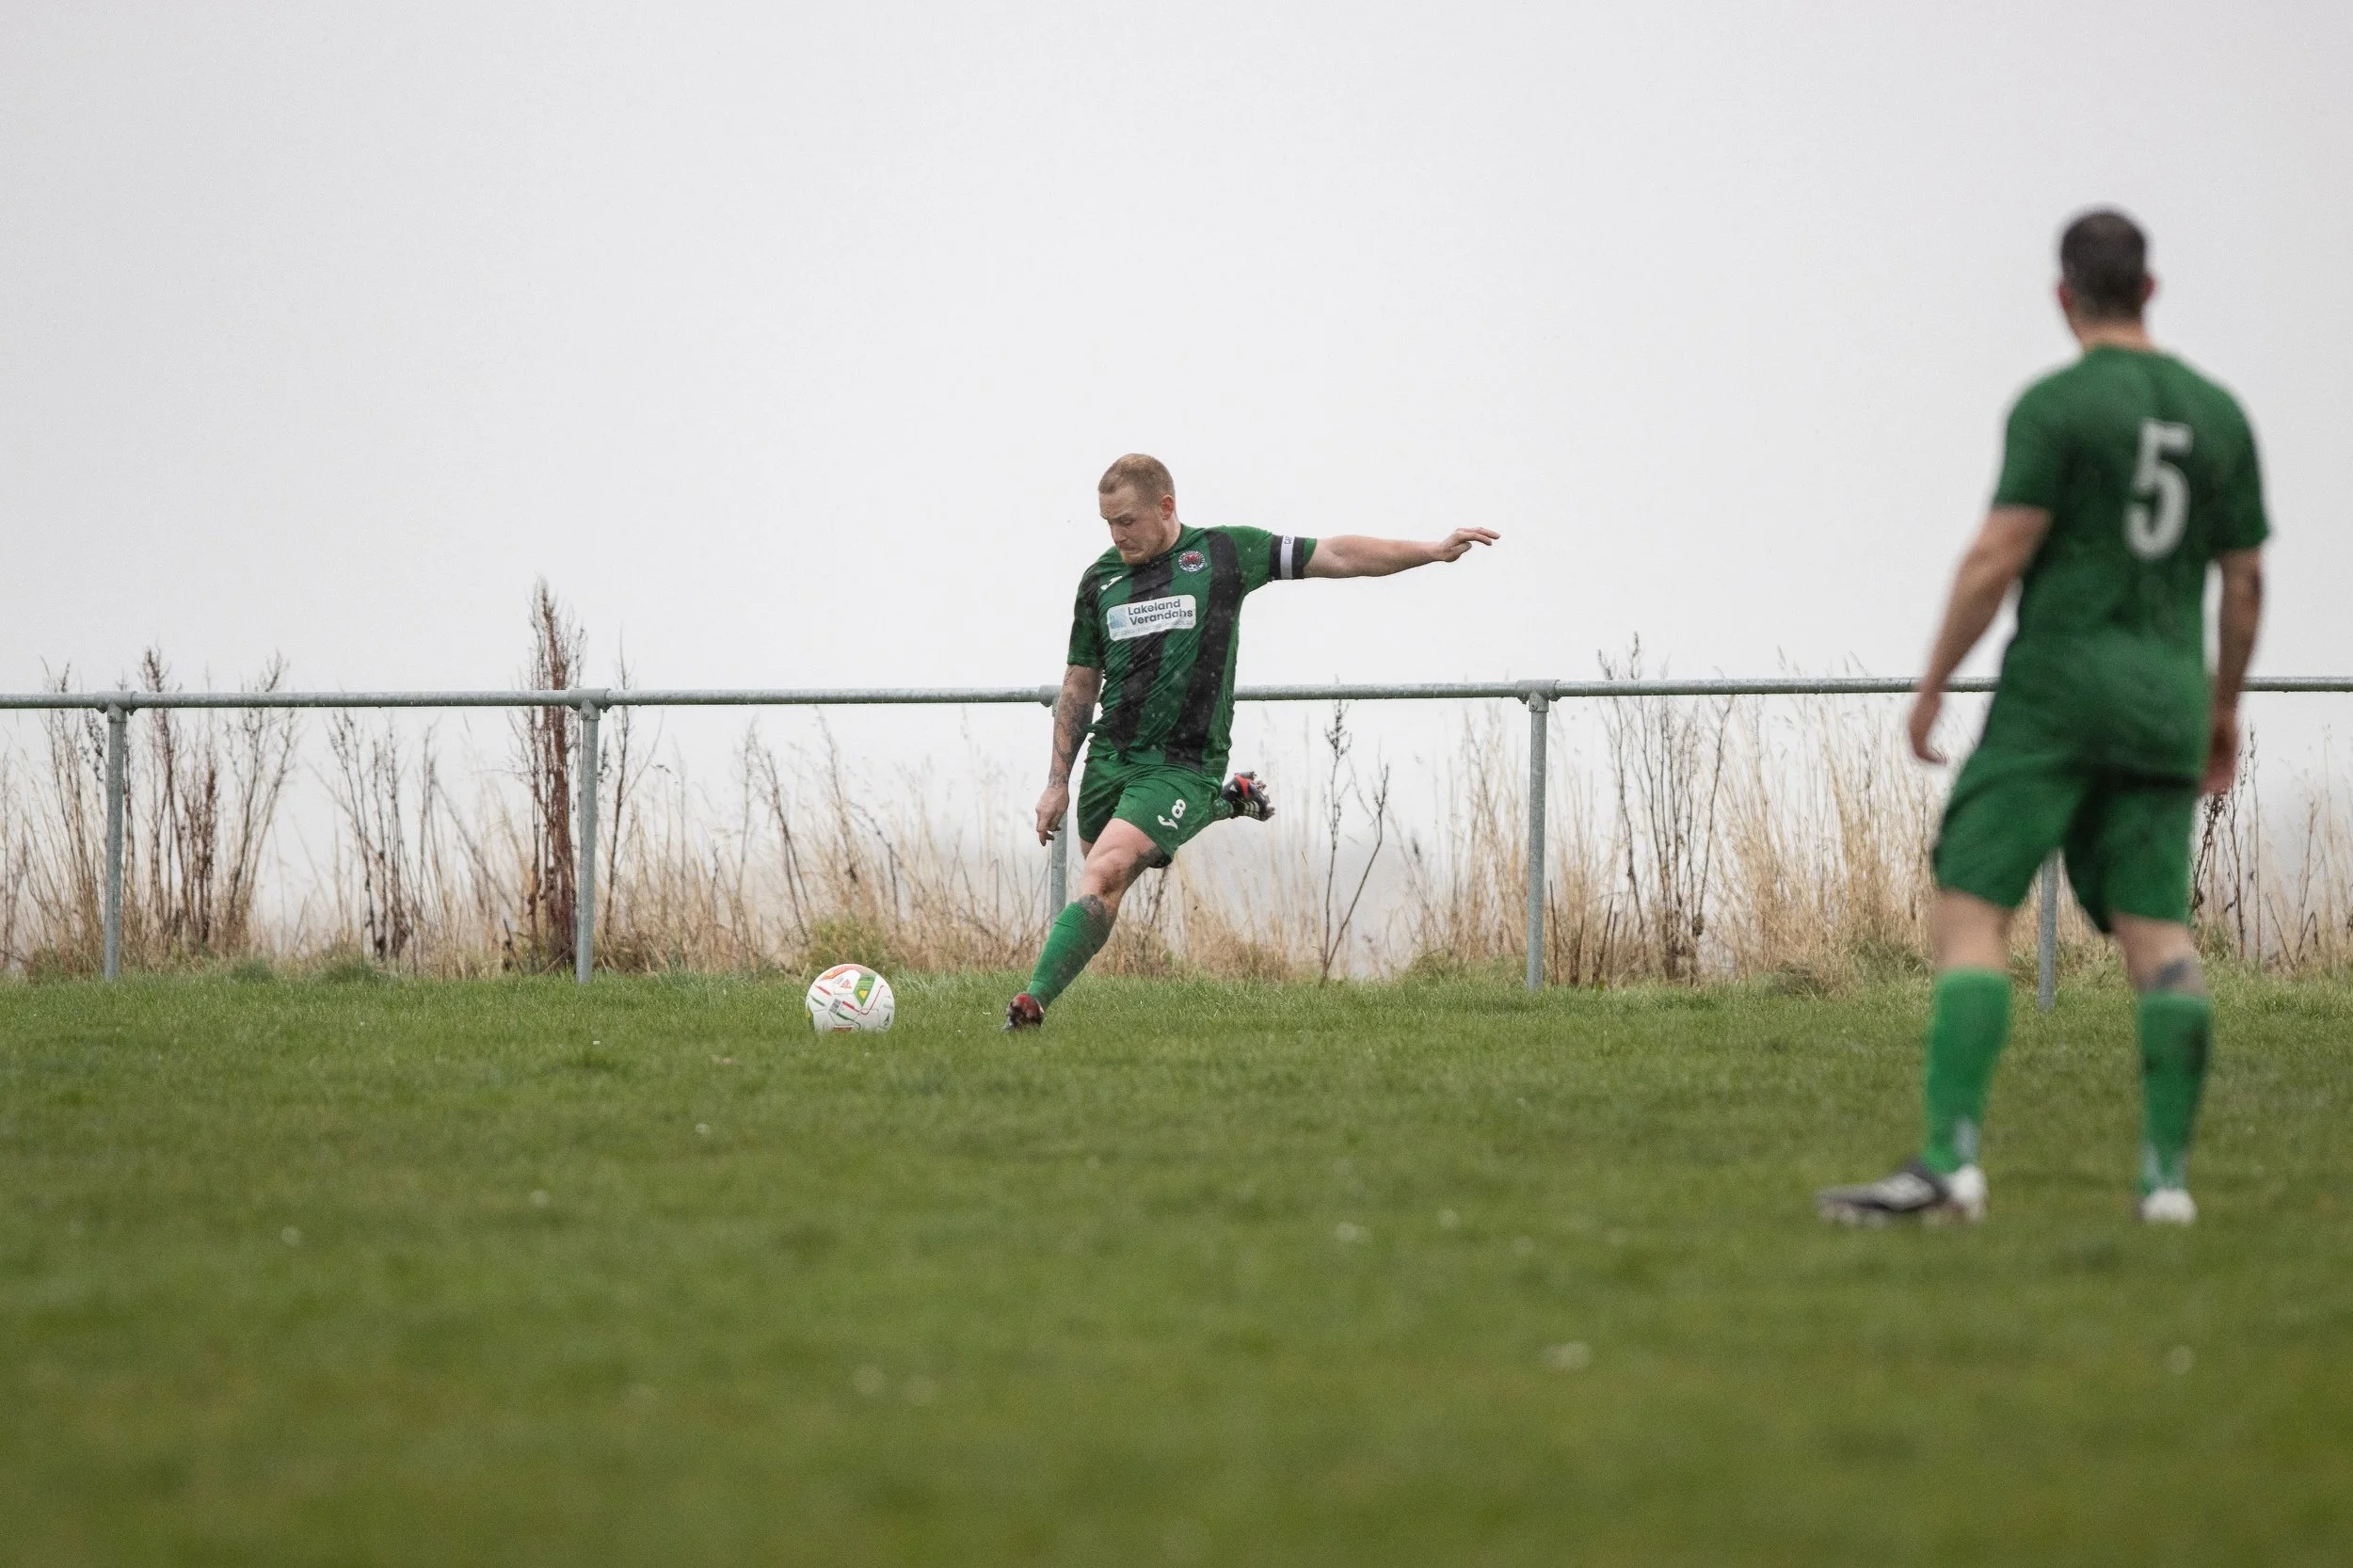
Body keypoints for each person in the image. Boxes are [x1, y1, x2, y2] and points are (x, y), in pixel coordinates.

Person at [1817, 212, 2268, 1226]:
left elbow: (1999, 551)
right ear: (2150, 290)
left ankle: (1950, 1163)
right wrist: (2224, 703)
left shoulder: (2058, 406)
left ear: (2063, 297)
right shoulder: (2220, 414)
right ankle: (2164, 1185)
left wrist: (1933, 681)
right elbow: (2243, 582)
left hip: (2056, 693)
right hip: (2164, 698)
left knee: (1972, 905)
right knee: (2159, 932)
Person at [1005, 454, 1498, 1030]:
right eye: (1108, 523)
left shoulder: (1223, 554)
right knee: (1105, 867)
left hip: (1182, 762)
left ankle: (1029, 1006)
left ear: (1166, 507)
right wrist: (1057, 782)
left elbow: (1335, 554)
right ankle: (1226, 800)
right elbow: (1079, 683)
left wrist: (1431, 551)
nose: (1118, 536)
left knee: (1106, 872)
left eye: (1128, 522)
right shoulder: (1100, 580)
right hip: (1111, 758)